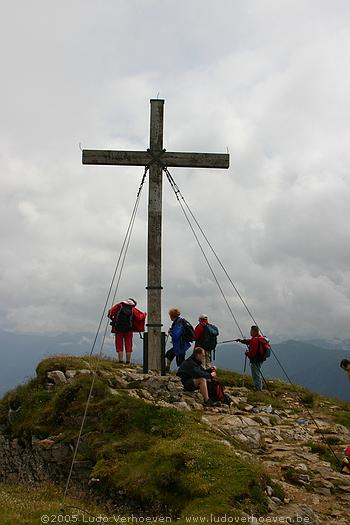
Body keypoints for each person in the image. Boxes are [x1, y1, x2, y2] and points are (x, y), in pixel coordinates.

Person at [108, 298, 145, 364]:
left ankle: (120, 361)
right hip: (129, 329)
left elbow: (110, 313)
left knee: (119, 345)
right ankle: (128, 361)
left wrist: (113, 319)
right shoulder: (133, 309)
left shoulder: (119, 307)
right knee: (129, 345)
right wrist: (144, 314)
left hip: (118, 329)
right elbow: (140, 317)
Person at [236, 326, 270, 391]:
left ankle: (258, 389)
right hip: (260, 358)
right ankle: (259, 388)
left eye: (251, 331)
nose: (250, 332)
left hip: (255, 359)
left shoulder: (255, 340)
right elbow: (250, 341)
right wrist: (242, 341)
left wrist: (247, 354)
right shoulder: (259, 338)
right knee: (257, 373)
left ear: (254, 331)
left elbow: (252, 353)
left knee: (255, 374)